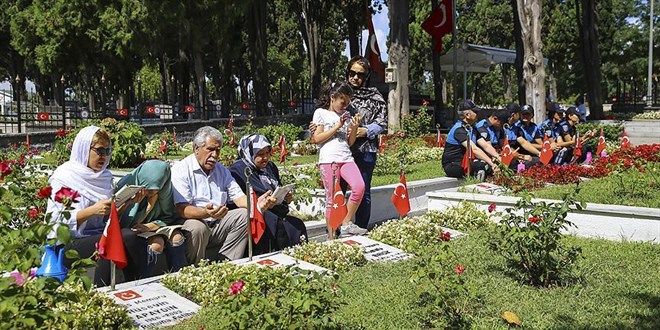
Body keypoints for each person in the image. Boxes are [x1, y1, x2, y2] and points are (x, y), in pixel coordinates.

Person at [46, 125, 146, 287]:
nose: (104, 157)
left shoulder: (103, 177)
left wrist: (128, 202)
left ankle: (136, 286)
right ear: (84, 149)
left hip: (97, 236)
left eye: (107, 151)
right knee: (107, 241)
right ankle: (102, 292)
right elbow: (56, 222)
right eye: (99, 151)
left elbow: (106, 218)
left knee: (129, 235)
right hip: (68, 244)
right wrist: (91, 211)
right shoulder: (65, 177)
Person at [171, 126, 276, 265]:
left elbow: (238, 197)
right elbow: (182, 209)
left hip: (217, 221)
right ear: (196, 148)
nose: (214, 155)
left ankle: (227, 264)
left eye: (218, 150)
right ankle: (195, 270)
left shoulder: (221, 170)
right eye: (210, 149)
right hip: (193, 220)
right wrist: (205, 212)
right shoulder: (181, 169)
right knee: (198, 228)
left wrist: (256, 203)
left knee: (244, 214)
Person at [230, 134, 308, 253]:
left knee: (296, 224)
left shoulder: (270, 167)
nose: (266, 158)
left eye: (267, 153)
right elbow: (248, 195)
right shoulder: (240, 169)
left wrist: (284, 196)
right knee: (273, 222)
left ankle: (299, 255)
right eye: (260, 154)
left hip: (276, 209)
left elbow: (276, 187)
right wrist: (267, 201)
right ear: (248, 153)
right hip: (256, 212)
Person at [312, 82, 367, 236]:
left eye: (348, 102)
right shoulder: (321, 113)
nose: (345, 105)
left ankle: (346, 223)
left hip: (346, 158)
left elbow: (349, 142)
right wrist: (337, 125)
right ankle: (331, 236)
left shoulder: (346, 115)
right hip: (329, 160)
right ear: (332, 97)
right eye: (342, 100)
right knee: (332, 198)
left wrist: (354, 127)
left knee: (359, 186)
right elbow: (317, 138)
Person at [117, 160, 187, 273]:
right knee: (156, 245)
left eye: (156, 189)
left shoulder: (165, 191)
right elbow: (117, 219)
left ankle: (178, 276)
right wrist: (133, 203)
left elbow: (168, 216)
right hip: (130, 232)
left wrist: (150, 226)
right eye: (148, 189)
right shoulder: (126, 187)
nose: (150, 193)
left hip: (153, 228)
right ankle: (144, 280)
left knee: (177, 237)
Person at [442, 100, 499, 180]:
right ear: (467, 115)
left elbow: (486, 145)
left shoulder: (472, 128)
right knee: (482, 165)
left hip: (465, 162)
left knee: (488, 165)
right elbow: (474, 149)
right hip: (453, 165)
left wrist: (498, 157)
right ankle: (477, 187)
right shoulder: (459, 130)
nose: (478, 114)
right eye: (475, 111)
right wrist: (492, 164)